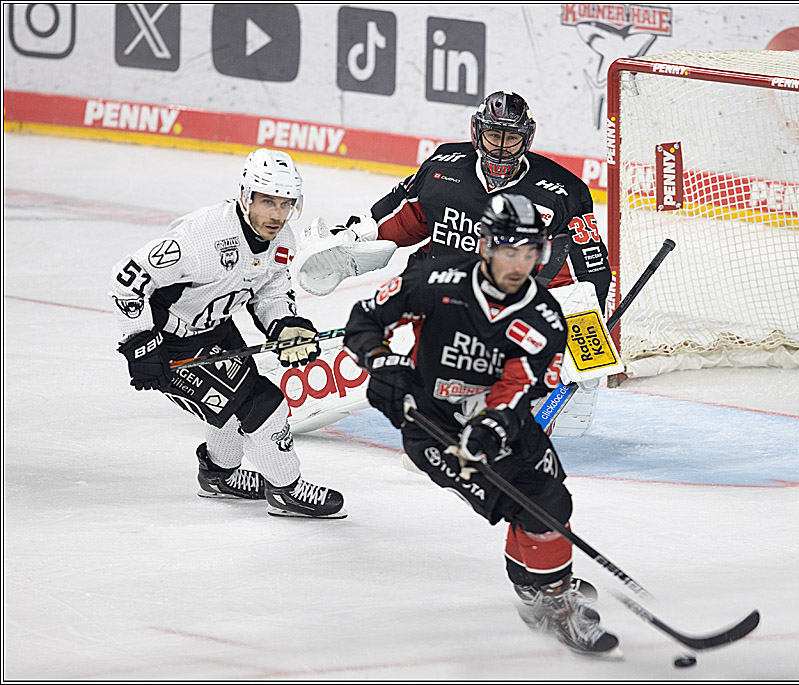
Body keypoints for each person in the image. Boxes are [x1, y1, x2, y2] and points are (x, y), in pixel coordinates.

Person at [343, 193, 619, 657]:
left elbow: (520, 385)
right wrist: (380, 362)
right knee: (534, 508)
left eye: (529, 253)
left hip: (499, 421)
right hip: (431, 426)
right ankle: (550, 598)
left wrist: (491, 427)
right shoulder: (435, 280)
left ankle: (538, 587)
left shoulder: (544, 317)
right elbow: (367, 318)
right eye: (510, 250)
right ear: (487, 246)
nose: (519, 263)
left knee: (552, 499)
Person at [290, 90, 613, 436]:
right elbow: (402, 218)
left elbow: (587, 271)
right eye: (494, 135)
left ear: (528, 138)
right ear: (476, 132)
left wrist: (583, 334)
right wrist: (354, 239)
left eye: (512, 138)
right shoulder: (445, 168)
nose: (502, 147)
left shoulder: (562, 192)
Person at [108, 148, 346, 519]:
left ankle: (219, 476)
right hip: (170, 343)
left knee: (235, 410)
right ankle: (286, 489)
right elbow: (126, 278)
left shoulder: (283, 241)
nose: (277, 215)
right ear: (246, 196)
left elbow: (270, 291)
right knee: (264, 406)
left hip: (216, 331)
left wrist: (285, 325)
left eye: (286, 204)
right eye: (268, 202)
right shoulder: (203, 237)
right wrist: (140, 345)